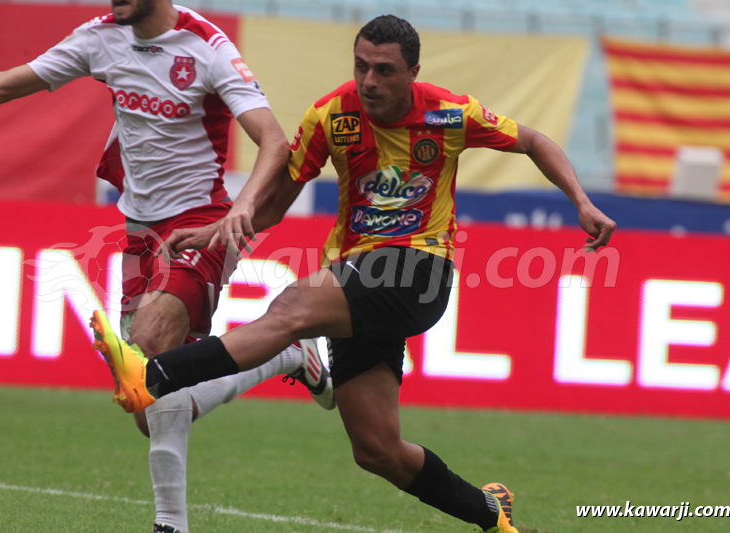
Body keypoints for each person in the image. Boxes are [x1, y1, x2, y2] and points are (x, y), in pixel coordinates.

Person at [91, 14, 617, 533]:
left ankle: (155, 377)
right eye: (362, 66)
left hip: (419, 268)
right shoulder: (330, 116)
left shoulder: (450, 113)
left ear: (412, 71)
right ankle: (489, 513)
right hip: (355, 275)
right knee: (377, 450)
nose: (369, 81)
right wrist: (219, 229)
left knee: (293, 308)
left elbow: (534, 141)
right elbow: (274, 206)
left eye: (385, 70)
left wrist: (582, 202)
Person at [0, 1, 334, 532]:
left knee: (151, 347)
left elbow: (272, 139)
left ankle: (169, 524)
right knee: (147, 406)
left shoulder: (207, 46)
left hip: (201, 222)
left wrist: (243, 208)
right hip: (138, 231)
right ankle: (285, 355)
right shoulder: (98, 38)